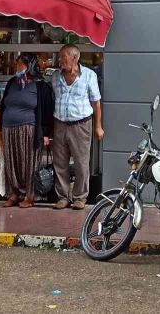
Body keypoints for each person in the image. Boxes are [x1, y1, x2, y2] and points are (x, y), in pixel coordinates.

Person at [51, 45, 104, 210]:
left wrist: (98, 127)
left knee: (81, 163)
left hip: (81, 124)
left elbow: (96, 103)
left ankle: (80, 197)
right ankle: (62, 197)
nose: (60, 60)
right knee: (60, 162)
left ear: (75, 58)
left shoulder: (89, 75)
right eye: (59, 57)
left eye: (63, 57)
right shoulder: (55, 77)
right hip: (60, 123)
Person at [0, 53, 55, 209]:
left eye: (20, 64)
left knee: (28, 163)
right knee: (11, 162)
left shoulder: (40, 85)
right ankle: (13, 194)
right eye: (17, 64)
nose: (17, 67)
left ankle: (29, 196)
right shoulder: (12, 83)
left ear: (30, 66)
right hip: (8, 129)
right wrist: (1, 131)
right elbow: (4, 106)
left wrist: (45, 133)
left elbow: (47, 111)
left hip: (29, 129)